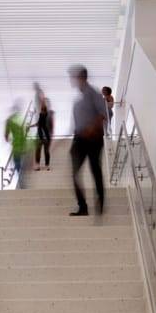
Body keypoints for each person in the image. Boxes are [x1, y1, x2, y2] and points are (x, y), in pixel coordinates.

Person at [68, 65, 106, 216]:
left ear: (82, 78)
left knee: (95, 169)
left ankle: (101, 203)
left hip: (93, 138)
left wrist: (91, 128)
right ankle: (82, 207)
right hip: (79, 139)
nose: (72, 80)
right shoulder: (78, 100)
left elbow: (104, 113)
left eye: (74, 77)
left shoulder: (93, 93)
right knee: (74, 173)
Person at [5, 101, 28, 188]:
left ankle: (21, 176)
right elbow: (25, 131)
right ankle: (22, 173)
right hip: (23, 144)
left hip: (15, 145)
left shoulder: (9, 120)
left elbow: (6, 136)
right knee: (21, 161)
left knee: (17, 162)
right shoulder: (21, 120)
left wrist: (8, 139)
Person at [32, 98, 52, 171]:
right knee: (38, 151)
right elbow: (38, 124)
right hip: (40, 136)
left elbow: (49, 125)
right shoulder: (41, 115)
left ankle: (47, 165)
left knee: (46, 151)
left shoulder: (47, 115)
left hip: (46, 137)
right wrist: (30, 126)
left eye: (42, 108)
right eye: (41, 108)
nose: (41, 110)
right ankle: (38, 165)